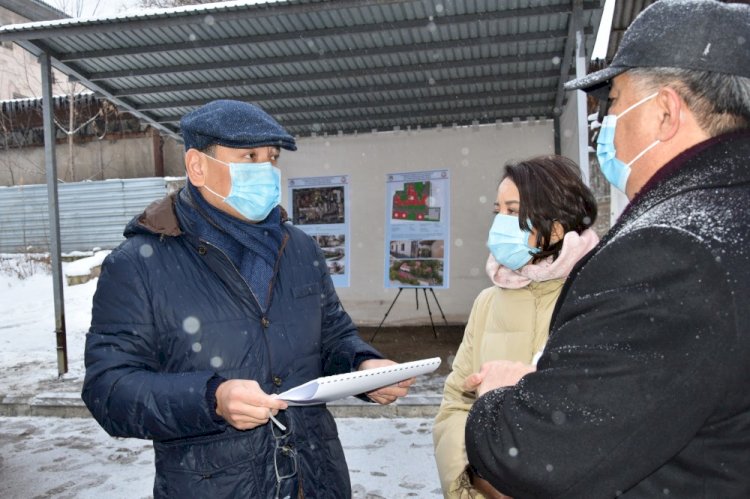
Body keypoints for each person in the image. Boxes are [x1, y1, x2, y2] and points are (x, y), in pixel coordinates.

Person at [464, 1, 750, 497]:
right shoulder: (728, 216)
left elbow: (534, 452)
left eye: (613, 102)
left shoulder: (672, 251)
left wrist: (503, 396)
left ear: (665, 111)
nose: (603, 122)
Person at [81, 99, 414, 498]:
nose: (266, 170)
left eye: (271, 158)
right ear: (197, 166)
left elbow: (332, 337)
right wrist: (211, 399)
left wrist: (365, 366)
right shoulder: (138, 265)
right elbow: (110, 390)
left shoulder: (299, 249)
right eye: (249, 156)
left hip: (315, 478)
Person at [433, 155, 599, 498]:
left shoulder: (597, 297)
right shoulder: (487, 303)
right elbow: (455, 405)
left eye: (513, 211)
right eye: (498, 211)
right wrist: (476, 480)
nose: (500, 223)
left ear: (555, 227)